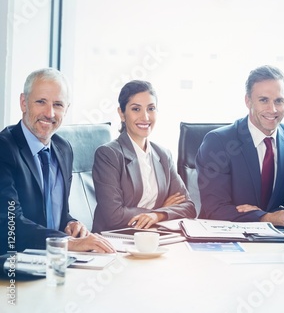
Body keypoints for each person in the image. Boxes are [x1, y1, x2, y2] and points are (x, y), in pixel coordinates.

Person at [0, 68, 115, 254]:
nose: (50, 113)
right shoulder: (4, 148)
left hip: (57, 261)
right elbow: (9, 223)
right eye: (41, 102)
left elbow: (56, 215)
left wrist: (70, 224)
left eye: (58, 105)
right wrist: (67, 243)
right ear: (23, 103)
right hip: (15, 266)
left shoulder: (64, 149)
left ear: (67, 109)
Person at [195, 65, 284, 226]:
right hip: (225, 237)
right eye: (263, 100)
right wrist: (266, 218)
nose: (272, 109)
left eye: (279, 101)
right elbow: (215, 209)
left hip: (277, 239)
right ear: (248, 101)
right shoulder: (218, 142)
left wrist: (276, 217)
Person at [92, 80, 196, 233]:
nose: (145, 117)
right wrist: (160, 211)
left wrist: (158, 215)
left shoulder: (163, 155)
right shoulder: (108, 154)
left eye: (151, 108)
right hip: (116, 239)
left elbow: (189, 207)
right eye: (136, 109)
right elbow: (114, 216)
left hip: (154, 236)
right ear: (121, 113)